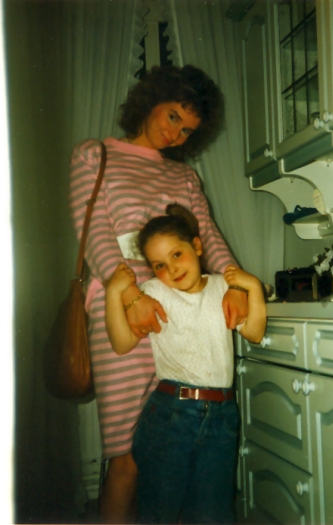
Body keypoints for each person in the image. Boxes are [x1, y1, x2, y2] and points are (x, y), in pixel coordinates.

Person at [68, 65, 248, 522]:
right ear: (152, 99)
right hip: (124, 309)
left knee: (176, 448)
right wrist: (130, 298)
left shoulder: (185, 177)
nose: (176, 134)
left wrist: (235, 283)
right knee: (126, 455)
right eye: (173, 117)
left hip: (187, 313)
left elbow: (209, 237)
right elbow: (95, 236)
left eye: (187, 130)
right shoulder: (94, 155)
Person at [104, 204, 266, 524]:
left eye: (177, 254)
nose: (172, 269)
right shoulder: (153, 292)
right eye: (160, 265)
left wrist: (254, 287)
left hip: (222, 417)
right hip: (170, 416)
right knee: (158, 510)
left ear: (197, 246)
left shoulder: (224, 287)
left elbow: (255, 332)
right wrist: (113, 293)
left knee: (212, 512)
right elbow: (122, 343)